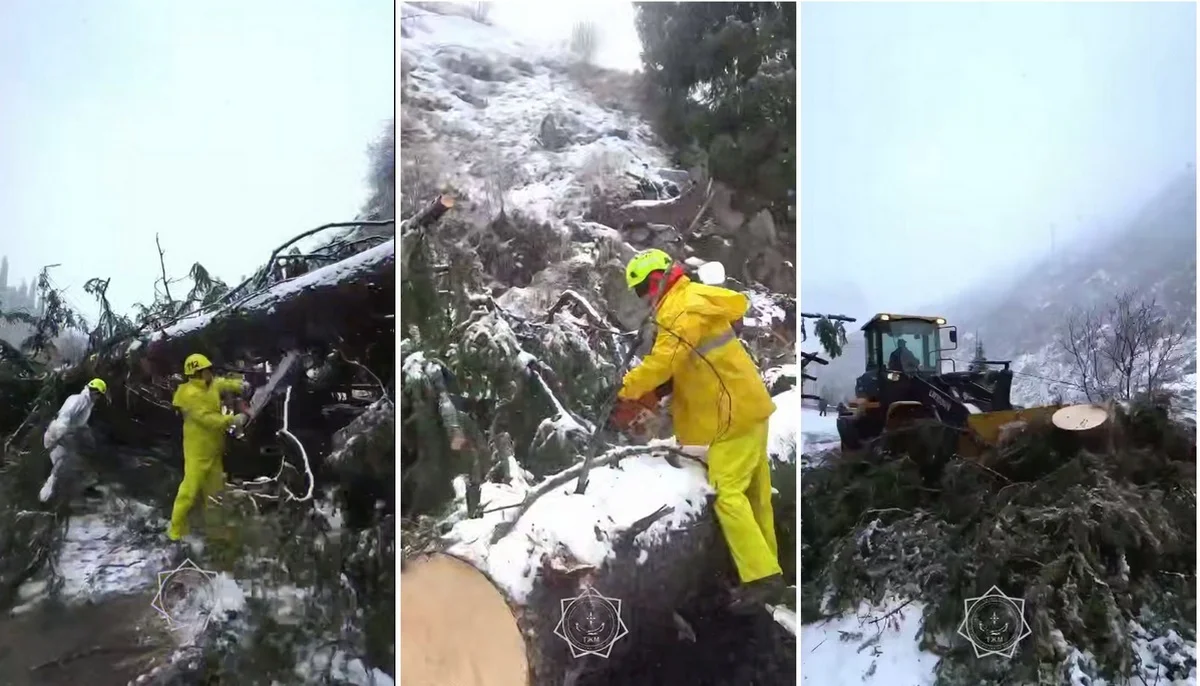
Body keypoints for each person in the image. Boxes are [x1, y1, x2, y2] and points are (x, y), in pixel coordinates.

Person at [613, 248, 783, 612]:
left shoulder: (680, 308)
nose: (645, 299)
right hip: (745, 405)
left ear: (657, 281)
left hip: (731, 415)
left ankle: (761, 578)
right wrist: (657, 392)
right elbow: (686, 365)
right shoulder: (693, 299)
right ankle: (770, 571)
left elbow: (663, 362)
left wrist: (626, 389)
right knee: (756, 496)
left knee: (728, 495)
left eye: (645, 290)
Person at [168, 353, 249, 542]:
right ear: (197, 372)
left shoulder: (210, 384)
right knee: (189, 491)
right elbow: (207, 420)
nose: (210, 372)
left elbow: (222, 383)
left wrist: (239, 385)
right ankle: (175, 530)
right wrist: (233, 419)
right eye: (206, 370)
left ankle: (215, 531)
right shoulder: (188, 395)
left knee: (215, 494)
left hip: (214, 449)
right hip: (197, 451)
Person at [39, 378, 108, 503]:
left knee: (79, 459)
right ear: (95, 392)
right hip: (58, 433)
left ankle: (83, 487)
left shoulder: (87, 403)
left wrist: (87, 435)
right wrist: (61, 435)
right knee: (62, 462)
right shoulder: (78, 400)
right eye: (99, 395)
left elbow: (80, 422)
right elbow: (64, 417)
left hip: (70, 434)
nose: (99, 398)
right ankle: (46, 495)